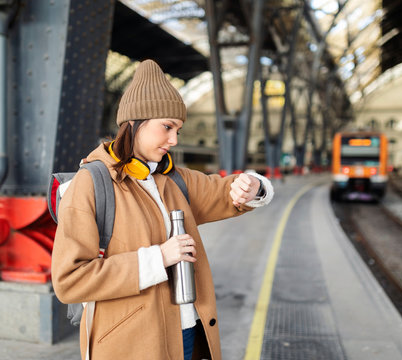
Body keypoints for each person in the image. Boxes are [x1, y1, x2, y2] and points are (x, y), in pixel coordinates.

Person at [51, 59, 274, 360]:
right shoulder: (91, 183)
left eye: (178, 130)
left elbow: (227, 191)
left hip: (191, 334)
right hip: (132, 345)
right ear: (135, 123)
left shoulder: (173, 179)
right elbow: (70, 280)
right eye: (167, 127)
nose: (174, 140)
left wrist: (252, 185)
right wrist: (160, 258)